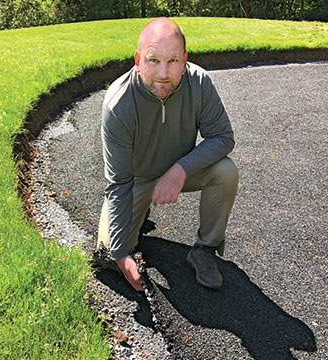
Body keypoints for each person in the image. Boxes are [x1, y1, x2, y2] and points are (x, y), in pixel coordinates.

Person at [97, 17, 239, 292]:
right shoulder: (118, 104)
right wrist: (120, 254)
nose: (163, 72)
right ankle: (137, 220)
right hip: (136, 182)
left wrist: (180, 169)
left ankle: (204, 249)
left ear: (185, 60)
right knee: (109, 253)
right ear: (138, 60)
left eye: (173, 61)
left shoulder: (199, 83)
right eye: (153, 60)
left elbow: (223, 137)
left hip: (181, 171)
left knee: (225, 171)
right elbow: (118, 184)